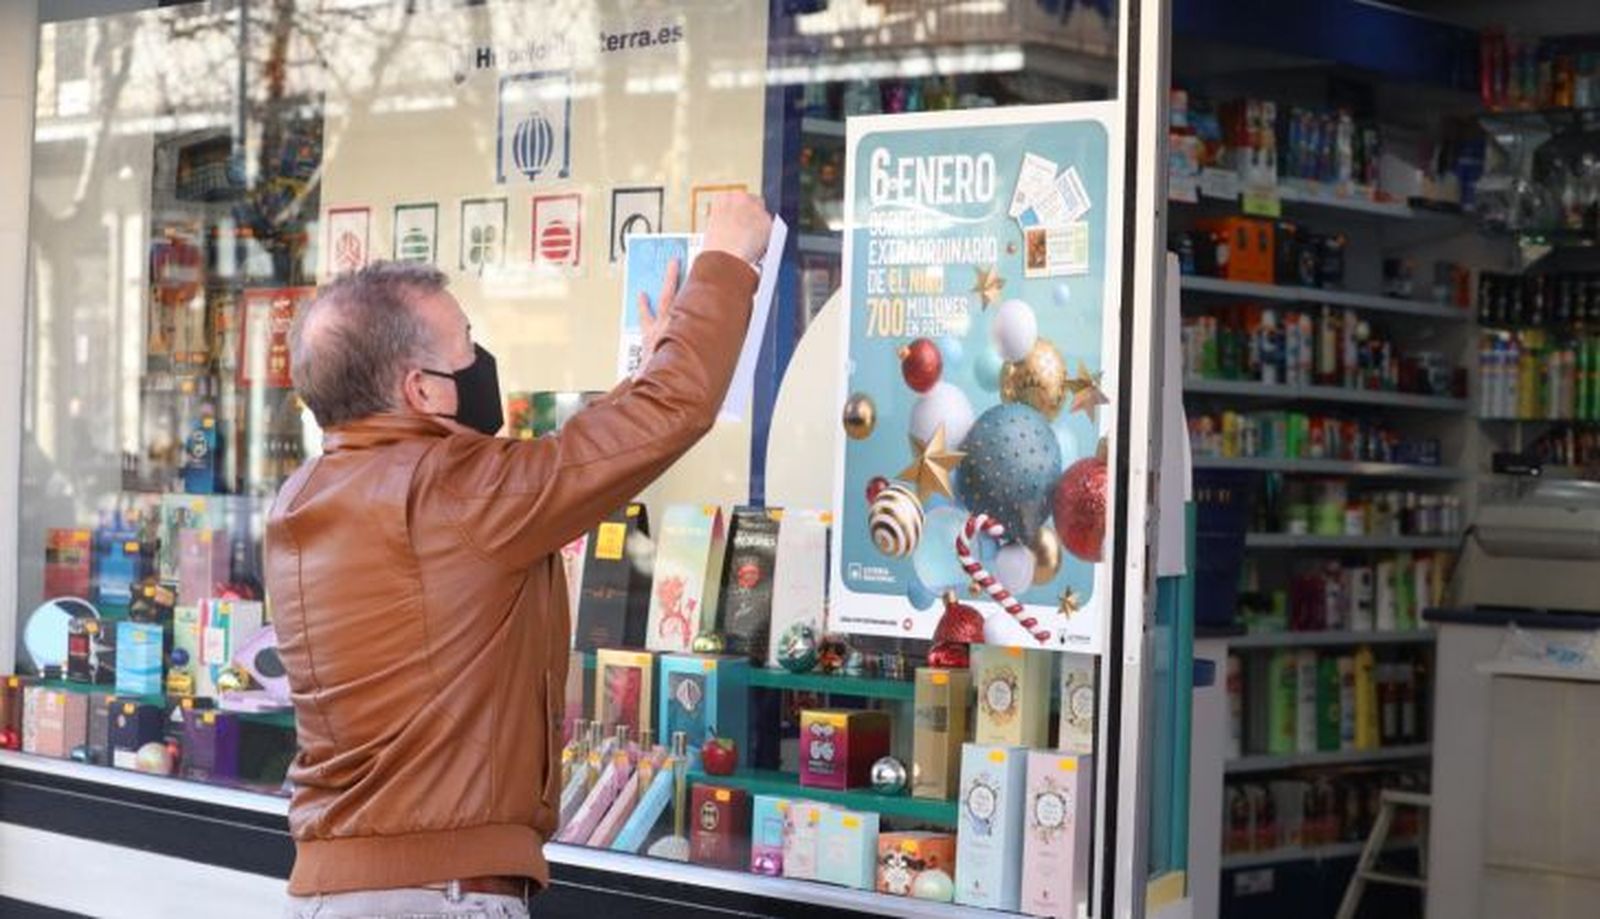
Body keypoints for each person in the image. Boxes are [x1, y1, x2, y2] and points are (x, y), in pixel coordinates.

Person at [267, 194, 773, 919]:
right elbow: (665, 417)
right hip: (436, 898)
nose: (482, 363)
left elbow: (573, 462)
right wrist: (727, 262)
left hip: (333, 890)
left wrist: (655, 362)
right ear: (421, 390)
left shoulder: (307, 497)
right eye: (467, 346)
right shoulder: (453, 492)